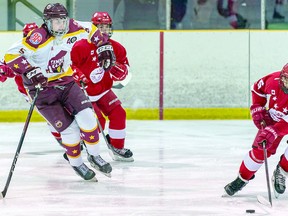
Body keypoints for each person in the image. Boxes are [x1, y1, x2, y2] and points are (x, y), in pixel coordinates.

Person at [4, 3, 115, 181]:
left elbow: (92, 29)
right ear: (47, 22)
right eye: (56, 22)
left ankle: (94, 155)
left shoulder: (73, 26)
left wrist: (103, 45)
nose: (61, 26)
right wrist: (30, 71)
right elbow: (11, 56)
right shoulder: (37, 37)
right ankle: (77, 164)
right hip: (41, 90)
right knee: (70, 130)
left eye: (63, 21)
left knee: (87, 116)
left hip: (66, 81)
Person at [70, 11, 134, 162]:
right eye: (100, 27)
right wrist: (77, 76)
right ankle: (82, 145)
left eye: (107, 27)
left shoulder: (116, 48)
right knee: (97, 120)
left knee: (119, 114)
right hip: (84, 93)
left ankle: (117, 146)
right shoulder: (80, 46)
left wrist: (119, 69)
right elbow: (70, 65)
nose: (104, 30)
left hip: (104, 90)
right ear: (93, 28)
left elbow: (125, 72)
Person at [224, 63, 288, 198]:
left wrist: (275, 131)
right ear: (282, 77)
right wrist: (257, 107)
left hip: (282, 123)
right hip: (274, 118)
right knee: (260, 150)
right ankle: (242, 178)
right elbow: (257, 89)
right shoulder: (273, 81)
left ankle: (282, 171)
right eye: (287, 80)